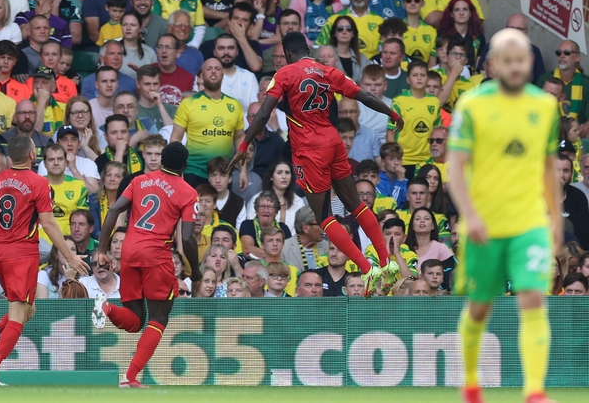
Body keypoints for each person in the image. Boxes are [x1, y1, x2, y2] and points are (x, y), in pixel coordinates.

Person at [230, 32, 404, 296]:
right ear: (308, 48)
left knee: (324, 219)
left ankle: (369, 271)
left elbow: (264, 112)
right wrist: (390, 112)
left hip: (310, 151)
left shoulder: (286, 74)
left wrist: (243, 145)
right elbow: (363, 95)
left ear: (287, 54)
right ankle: (385, 262)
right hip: (333, 141)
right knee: (356, 204)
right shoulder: (328, 71)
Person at [449, 29, 561, 403]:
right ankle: (469, 383)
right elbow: (455, 165)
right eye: (507, 61)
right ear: (493, 64)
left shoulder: (545, 106)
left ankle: (534, 392)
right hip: (484, 225)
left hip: (529, 222)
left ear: (530, 62)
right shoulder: (472, 105)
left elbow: (548, 165)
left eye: (522, 60)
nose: (515, 67)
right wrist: (469, 215)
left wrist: (555, 218)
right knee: (481, 306)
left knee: (532, 296)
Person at [0, 135, 89, 385]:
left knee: (29, 309)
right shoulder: (39, 183)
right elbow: (48, 222)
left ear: (7, 159)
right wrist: (69, 256)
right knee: (18, 313)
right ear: (33, 156)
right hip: (22, 254)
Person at [93, 142, 198, 387]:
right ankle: (130, 377)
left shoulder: (140, 180)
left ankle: (106, 308)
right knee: (159, 318)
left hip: (129, 253)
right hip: (156, 256)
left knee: (135, 320)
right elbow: (187, 237)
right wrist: (196, 269)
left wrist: (101, 249)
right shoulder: (187, 191)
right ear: (184, 165)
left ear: (161, 160)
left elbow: (113, 210)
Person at [172, 58, 244, 188]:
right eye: (209, 69)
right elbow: (175, 139)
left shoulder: (234, 105)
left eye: (217, 69)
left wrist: (243, 171)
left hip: (223, 173)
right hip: (193, 172)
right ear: (202, 75)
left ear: (223, 75)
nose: (213, 72)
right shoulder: (188, 103)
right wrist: (177, 169)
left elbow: (240, 139)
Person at [388, 61, 441, 175]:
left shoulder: (435, 102)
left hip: (427, 160)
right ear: (408, 80)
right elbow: (390, 132)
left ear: (427, 78)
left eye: (423, 75)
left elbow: (437, 133)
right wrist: (394, 159)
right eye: (415, 75)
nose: (419, 78)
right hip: (404, 160)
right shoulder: (399, 101)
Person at [315, 0, 384, 59]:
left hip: (371, 68)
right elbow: (318, 47)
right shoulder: (334, 20)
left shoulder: (380, 21)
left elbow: (385, 52)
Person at [537, 40, 589, 134]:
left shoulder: (586, 83)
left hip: (578, 133)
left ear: (577, 57)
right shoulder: (545, 80)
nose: (562, 55)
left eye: (567, 52)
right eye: (559, 52)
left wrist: (579, 131)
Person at [40, 143, 89, 239]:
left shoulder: (78, 186)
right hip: (42, 241)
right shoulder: (36, 186)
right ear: (44, 164)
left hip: (70, 241)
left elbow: (83, 219)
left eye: (60, 159)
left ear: (66, 162)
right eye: (51, 159)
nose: (56, 163)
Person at [438, 0, 485, 73]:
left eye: (465, 9)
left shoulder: (478, 36)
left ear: (470, 13)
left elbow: (478, 63)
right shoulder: (443, 35)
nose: (461, 13)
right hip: (447, 75)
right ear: (451, 14)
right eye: (457, 10)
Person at [214, 34, 258, 111]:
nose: (226, 52)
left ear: (237, 51)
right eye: (221, 48)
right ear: (214, 52)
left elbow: (255, 110)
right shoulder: (205, 77)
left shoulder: (249, 77)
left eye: (231, 48)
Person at [136, 65, 176, 131]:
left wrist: (160, 106)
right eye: (147, 84)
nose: (152, 88)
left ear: (159, 83)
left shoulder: (171, 109)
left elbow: (171, 133)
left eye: (155, 84)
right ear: (138, 84)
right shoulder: (131, 109)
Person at [119, 11, 156, 80]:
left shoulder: (149, 52)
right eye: (125, 25)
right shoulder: (112, 49)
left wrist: (141, 72)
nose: (128, 28)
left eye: (133, 25)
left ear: (140, 28)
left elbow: (155, 79)